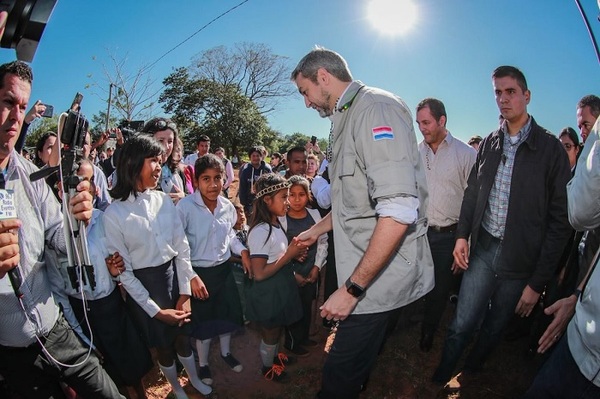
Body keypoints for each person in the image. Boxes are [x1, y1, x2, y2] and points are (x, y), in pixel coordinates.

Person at [291, 46, 433, 398]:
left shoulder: (375, 108)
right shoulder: (346, 116)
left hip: (374, 281)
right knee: (355, 366)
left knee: (338, 374)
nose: (306, 103)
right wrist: (316, 229)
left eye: (305, 92)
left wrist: (352, 289)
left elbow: (399, 209)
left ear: (323, 77)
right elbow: (353, 201)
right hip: (364, 268)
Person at [431, 66, 572, 390]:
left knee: (495, 326)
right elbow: (473, 193)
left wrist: (537, 283)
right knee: (462, 322)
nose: (503, 99)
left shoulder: (550, 150)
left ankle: (473, 368)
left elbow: (559, 222)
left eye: (510, 92)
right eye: (498, 92)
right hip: (483, 248)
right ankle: (442, 374)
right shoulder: (491, 143)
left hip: (520, 259)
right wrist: (463, 235)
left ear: (527, 96)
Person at [0, 60, 123, 399]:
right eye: (9, 102)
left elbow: (57, 238)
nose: (16, 117)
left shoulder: (30, 176)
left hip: (56, 330)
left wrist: (74, 217)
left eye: (23, 107)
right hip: (11, 350)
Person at [103, 134, 212, 398]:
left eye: (160, 160)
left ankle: (193, 378)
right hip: (146, 290)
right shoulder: (114, 215)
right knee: (163, 346)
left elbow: (181, 247)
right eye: (153, 160)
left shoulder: (162, 200)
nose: (158, 167)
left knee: (183, 338)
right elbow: (125, 274)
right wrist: (156, 312)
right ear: (133, 163)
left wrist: (184, 293)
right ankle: (176, 388)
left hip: (174, 279)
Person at [523, 116, 600, 399]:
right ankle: (533, 348)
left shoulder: (584, 172)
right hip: (581, 339)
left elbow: (577, 217)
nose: (584, 129)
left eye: (569, 146)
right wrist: (580, 293)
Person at [63, 159, 153, 399]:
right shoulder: (55, 230)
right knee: (103, 367)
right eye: (77, 179)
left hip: (110, 305)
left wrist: (115, 273)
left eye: (89, 180)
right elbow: (57, 284)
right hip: (80, 310)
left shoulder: (106, 219)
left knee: (128, 357)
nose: (84, 186)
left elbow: (118, 263)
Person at [176, 154, 249, 386]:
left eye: (218, 178)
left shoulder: (227, 206)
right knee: (204, 325)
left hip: (223, 272)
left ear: (225, 179)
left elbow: (229, 235)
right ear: (196, 181)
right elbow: (179, 246)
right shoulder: (185, 207)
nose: (213, 184)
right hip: (199, 275)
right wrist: (192, 277)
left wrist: (243, 251)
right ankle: (204, 364)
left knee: (226, 318)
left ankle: (226, 353)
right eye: (206, 179)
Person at [415, 98, 476, 352]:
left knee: (439, 289)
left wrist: (466, 242)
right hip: (417, 232)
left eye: (426, 122)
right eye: (419, 123)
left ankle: (428, 332)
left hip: (448, 236)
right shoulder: (416, 152)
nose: (422, 128)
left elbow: (473, 202)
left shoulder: (467, 154)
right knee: (411, 279)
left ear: (442, 121)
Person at [245, 173, 306, 382]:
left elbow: (277, 256)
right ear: (267, 200)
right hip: (267, 292)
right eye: (283, 197)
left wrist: (293, 255)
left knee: (278, 327)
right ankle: (267, 367)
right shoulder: (261, 231)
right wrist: (289, 255)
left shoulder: (277, 224)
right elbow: (260, 273)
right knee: (270, 332)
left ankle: (274, 356)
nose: (288, 202)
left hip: (280, 287)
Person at [279, 175, 328, 357]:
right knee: (293, 307)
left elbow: (323, 242)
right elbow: (278, 251)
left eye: (301, 194)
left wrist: (316, 267)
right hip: (289, 273)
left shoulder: (314, 215)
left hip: (311, 271)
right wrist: (292, 272)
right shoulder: (281, 220)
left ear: (308, 196)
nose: (297, 199)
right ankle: (292, 342)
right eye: (292, 195)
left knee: (307, 305)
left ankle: (304, 337)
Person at [141, 118, 186, 204]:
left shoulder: (177, 170)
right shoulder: (139, 171)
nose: (166, 146)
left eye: (170, 141)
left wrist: (183, 197)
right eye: (161, 141)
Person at [238, 145, 272, 215]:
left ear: (261, 156)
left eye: (258, 156)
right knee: (251, 223)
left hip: (264, 203)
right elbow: (242, 188)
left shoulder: (267, 170)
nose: (256, 158)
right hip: (250, 203)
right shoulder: (246, 171)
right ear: (250, 157)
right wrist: (244, 204)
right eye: (253, 156)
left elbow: (271, 185)